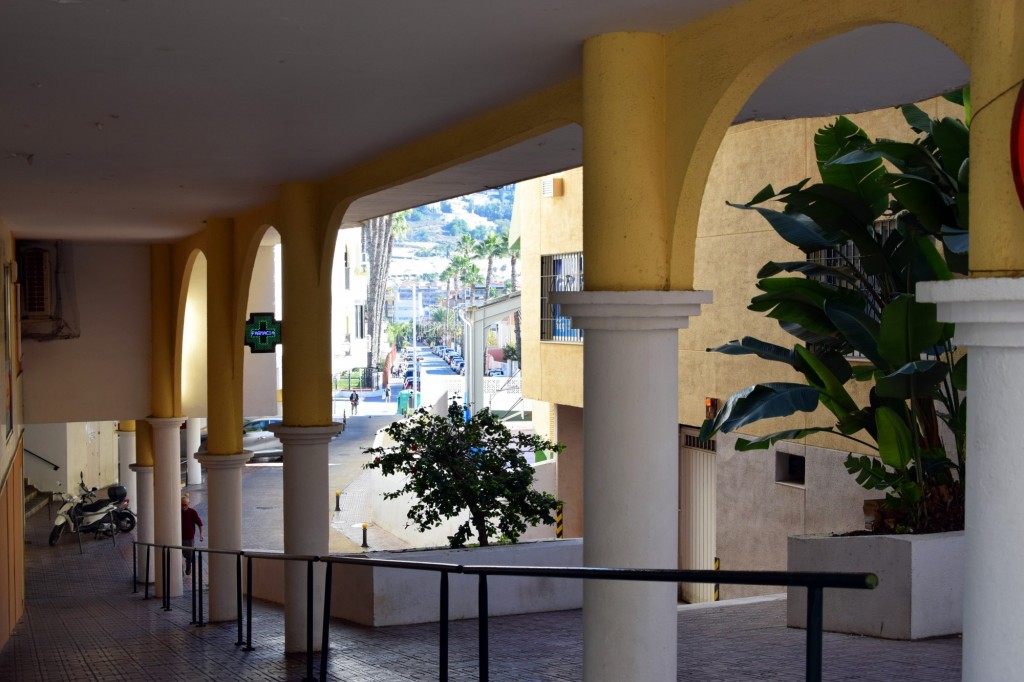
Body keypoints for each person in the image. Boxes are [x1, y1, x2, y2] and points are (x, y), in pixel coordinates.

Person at [181, 495, 204, 575]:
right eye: (182, 505)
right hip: (179, 538)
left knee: (189, 556)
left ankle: (188, 567)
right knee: (177, 555)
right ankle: (181, 571)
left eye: (185, 505)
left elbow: (200, 524)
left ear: (189, 504)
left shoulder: (192, 512)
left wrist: (201, 535)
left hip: (189, 538)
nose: (183, 507)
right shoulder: (178, 512)